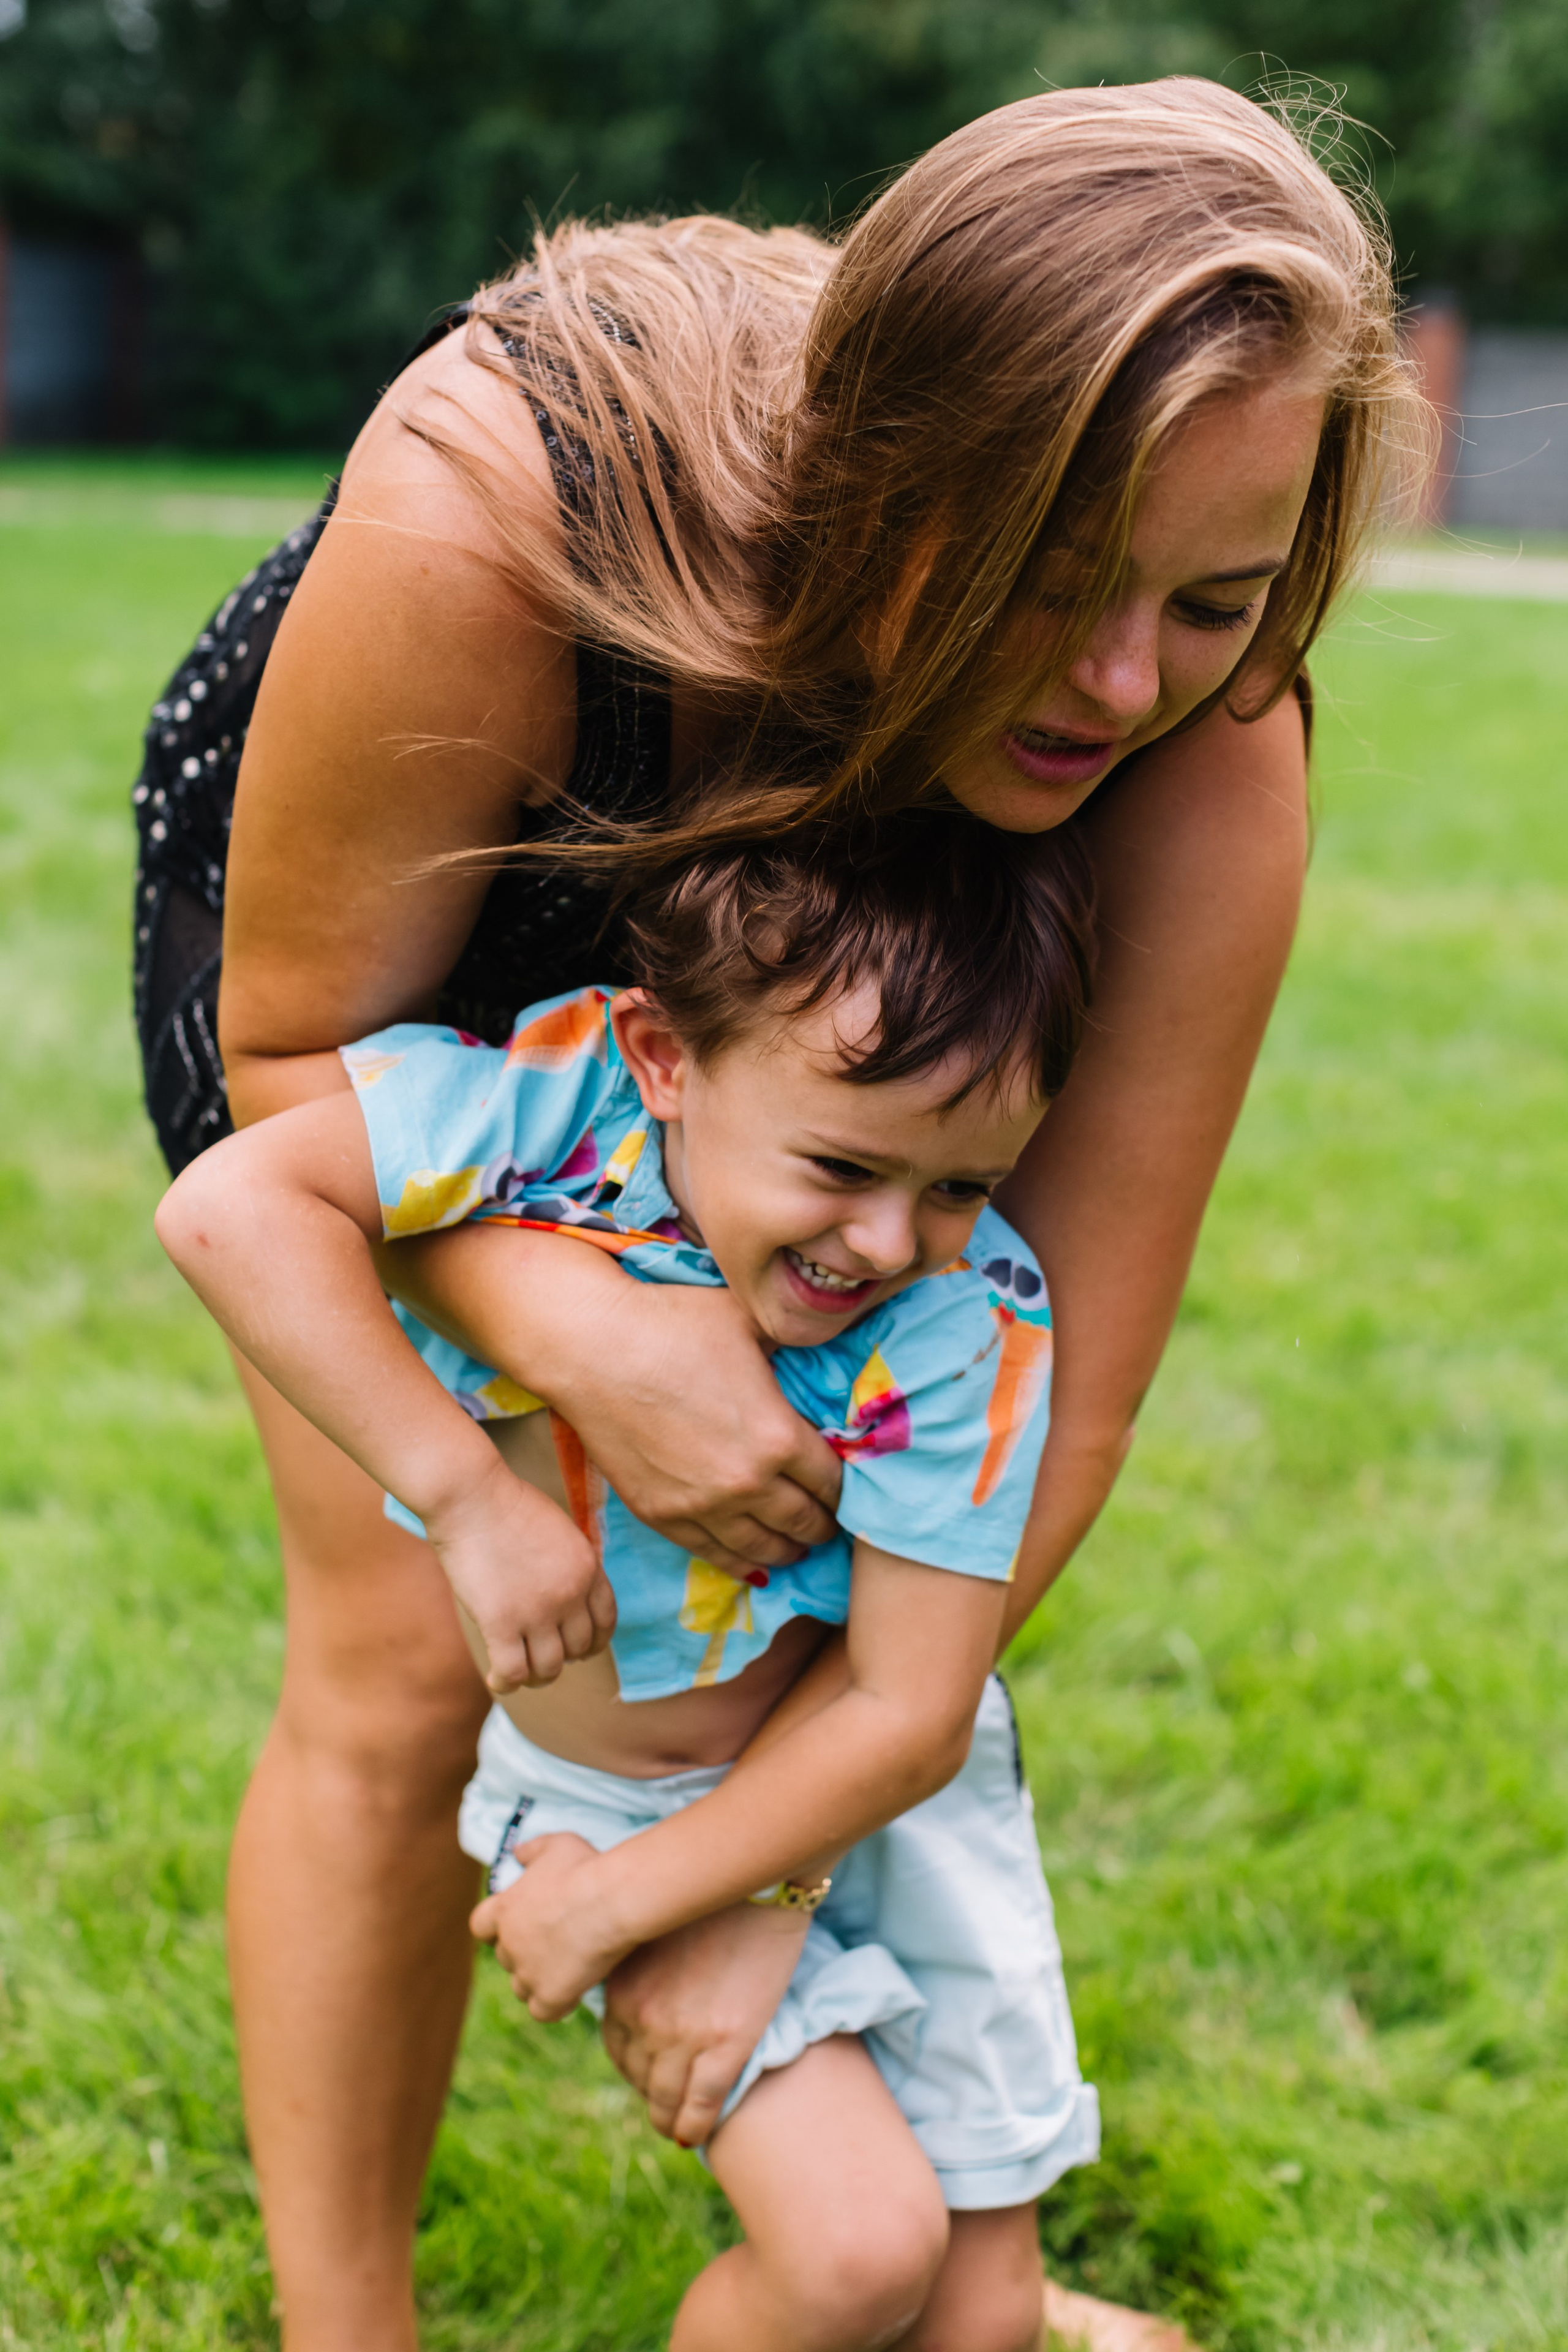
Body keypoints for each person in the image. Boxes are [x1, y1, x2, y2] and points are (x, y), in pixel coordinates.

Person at [131, 74, 1422, 2352]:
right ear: (891, 483)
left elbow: (1055, 1402)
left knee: (812, 1556)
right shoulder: (497, 505)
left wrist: (738, 1864)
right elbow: (297, 1074)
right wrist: (582, 1337)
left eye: (1212, 599)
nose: (1125, 681)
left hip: (870, 1028)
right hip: (446, 925)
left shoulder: (1198, 730)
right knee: (422, 1642)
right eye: (1053, 581)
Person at [157, 812, 1102, 2350]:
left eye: (959, 1184)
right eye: (845, 1166)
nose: (889, 1240)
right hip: (621, 1809)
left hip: (885, 1808)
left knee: (978, 2318)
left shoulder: (964, 1311)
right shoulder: (554, 1114)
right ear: (665, 1059)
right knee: (857, 2255)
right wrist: (467, 1496)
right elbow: (228, 1207)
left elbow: (910, 1712)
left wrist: (626, 1922)